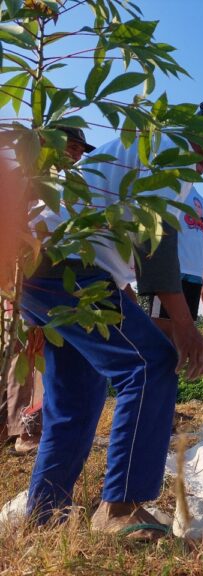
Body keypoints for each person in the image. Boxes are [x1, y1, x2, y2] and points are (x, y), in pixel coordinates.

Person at [19, 98, 203, 539]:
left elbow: (126, 240)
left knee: (77, 398)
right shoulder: (170, 148)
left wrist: (124, 292)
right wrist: (185, 326)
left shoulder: (157, 148)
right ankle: (120, 506)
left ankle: (44, 515)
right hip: (67, 267)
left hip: (48, 266)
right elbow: (156, 243)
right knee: (151, 364)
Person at [2, 128, 95, 454]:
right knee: (24, 351)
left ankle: (29, 427)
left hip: (54, 281)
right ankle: (23, 430)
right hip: (22, 280)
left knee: (41, 352)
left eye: (80, 149)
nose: (77, 154)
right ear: (46, 143)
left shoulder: (71, 187)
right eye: (72, 146)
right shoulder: (27, 178)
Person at [139, 185, 203, 331]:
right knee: (162, 330)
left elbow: (201, 240)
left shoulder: (202, 202)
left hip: (195, 276)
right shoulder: (169, 188)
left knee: (184, 331)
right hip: (171, 271)